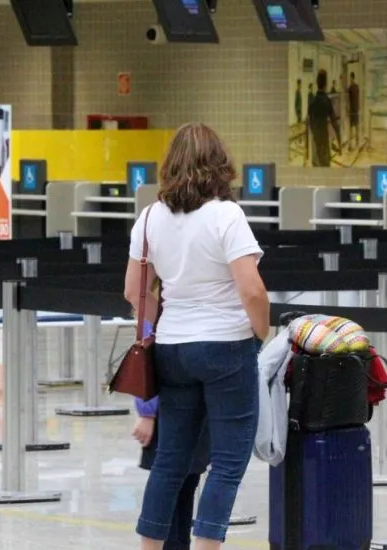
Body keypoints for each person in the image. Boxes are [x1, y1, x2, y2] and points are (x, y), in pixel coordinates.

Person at [126, 122, 269, 550]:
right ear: (220, 164)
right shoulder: (227, 214)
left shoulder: (149, 217)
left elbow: (136, 291)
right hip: (227, 345)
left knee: (171, 459)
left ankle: (149, 547)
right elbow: (252, 288)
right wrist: (260, 333)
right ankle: (208, 545)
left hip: (172, 347)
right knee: (227, 460)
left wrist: (167, 319)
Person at [131, 314, 212, 550]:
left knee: (186, 486)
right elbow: (145, 358)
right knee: (171, 485)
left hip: (196, 408)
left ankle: (178, 544)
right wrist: (147, 412)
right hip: (167, 411)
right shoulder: (160, 310)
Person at [307, 69, 342, 167]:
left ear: (317, 83)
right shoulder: (327, 101)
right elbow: (335, 123)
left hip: (315, 143)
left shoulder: (312, 101)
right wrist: (339, 143)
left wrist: (314, 133)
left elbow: (309, 122)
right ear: (326, 84)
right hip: (324, 142)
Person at [347, 72, 361, 151]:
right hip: (355, 110)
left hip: (353, 110)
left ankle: (351, 145)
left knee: (352, 128)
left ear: (352, 77)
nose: (350, 79)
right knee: (355, 127)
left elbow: (349, 100)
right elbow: (357, 99)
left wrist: (348, 109)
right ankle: (356, 144)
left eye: (350, 78)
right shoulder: (356, 87)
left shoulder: (351, 87)